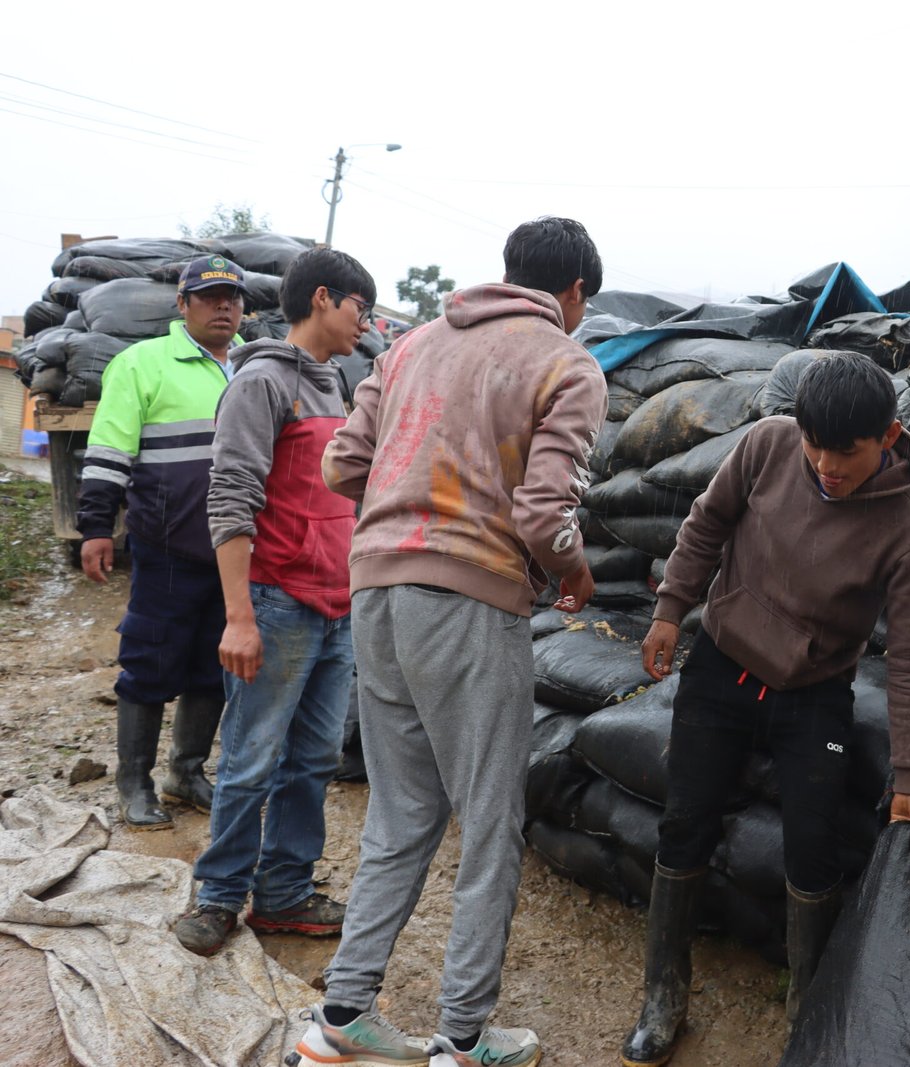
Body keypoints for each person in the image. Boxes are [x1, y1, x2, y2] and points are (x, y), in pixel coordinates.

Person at [295, 217, 607, 1067]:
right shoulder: (565, 361)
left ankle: (341, 1017)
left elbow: (341, 467)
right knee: (492, 820)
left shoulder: (410, 345)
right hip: (469, 601)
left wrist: (411, 505)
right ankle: (464, 1038)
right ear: (574, 292)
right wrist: (572, 573)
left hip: (378, 594)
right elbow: (546, 514)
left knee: (401, 815)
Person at [620, 351, 910, 1067]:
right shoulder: (768, 445)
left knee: (813, 846)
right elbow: (705, 525)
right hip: (721, 668)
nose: (826, 464)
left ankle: (807, 1014)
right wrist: (671, 610)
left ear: (887, 437)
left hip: (814, 694)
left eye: (846, 451)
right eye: (815, 444)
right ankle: (662, 995)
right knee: (685, 824)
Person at [173, 248, 376, 957]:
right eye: (359, 307)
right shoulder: (260, 382)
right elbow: (230, 498)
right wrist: (239, 616)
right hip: (276, 601)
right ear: (323, 299)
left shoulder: (337, 385)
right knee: (252, 756)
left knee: (313, 757)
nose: (367, 323)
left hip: (335, 609)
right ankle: (220, 894)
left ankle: (285, 890)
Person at [77, 255, 247, 831]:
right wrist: (97, 527)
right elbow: (109, 449)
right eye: (209, 297)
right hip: (169, 544)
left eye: (233, 298)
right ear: (183, 305)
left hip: (236, 550)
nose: (223, 307)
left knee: (212, 664)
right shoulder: (142, 363)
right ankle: (133, 781)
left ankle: (188, 771)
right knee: (149, 662)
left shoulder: (250, 366)